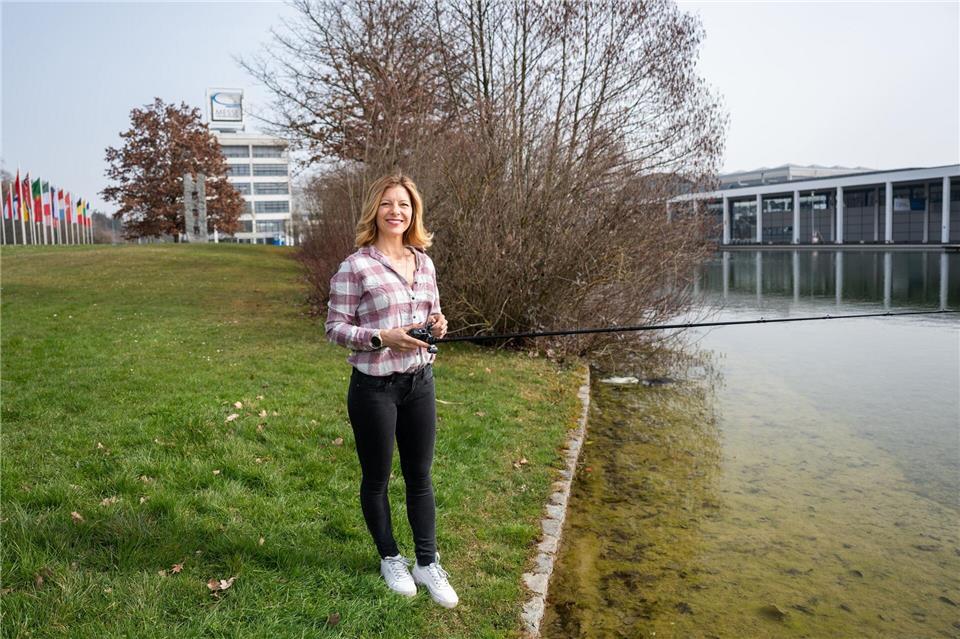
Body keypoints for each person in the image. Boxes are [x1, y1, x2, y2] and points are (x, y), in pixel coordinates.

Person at [325, 173, 459, 609]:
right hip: (374, 388)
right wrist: (383, 338)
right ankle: (390, 557)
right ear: (374, 211)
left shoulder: (425, 262)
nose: (396, 211)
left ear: (413, 212)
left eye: (403, 204)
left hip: (419, 382)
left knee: (420, 477)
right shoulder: (355, 266)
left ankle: (426, 561)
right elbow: (335, 328)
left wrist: (438, 324)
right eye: (387, 204)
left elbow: (434, 314)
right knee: (378, 479)